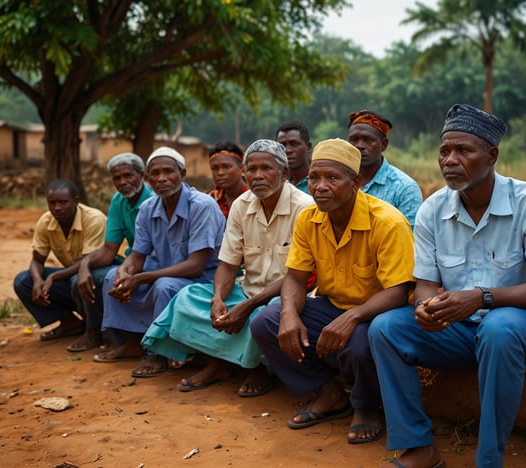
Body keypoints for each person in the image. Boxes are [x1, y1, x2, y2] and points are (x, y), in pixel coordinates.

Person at [368, 104, 526, 468]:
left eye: (463, 150)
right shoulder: (432, 210)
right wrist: (425, 308)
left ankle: (488, 459)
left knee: (500, 328)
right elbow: (425, 283)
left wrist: (483, 297)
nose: (449, 160)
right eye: (444, 151)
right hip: (466, 331)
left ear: (492, 155)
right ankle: (419, 447)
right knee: (386, 328)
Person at [251, 138, 415, 444]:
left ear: (356, 182)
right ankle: (328, 393)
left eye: (332, 178)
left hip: (379, 312)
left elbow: (398, 291)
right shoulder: (309, 219)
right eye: (314, 178)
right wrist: (288, 313)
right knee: (266, 322)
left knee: (358, 347)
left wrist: (353, 317)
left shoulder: (388, 223)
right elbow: (296, 279)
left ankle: (366, 408)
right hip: (331, 305)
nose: (320, 187)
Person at [142, 139, 314, 395]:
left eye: (266, 169)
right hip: (247, 291)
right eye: (251, 170)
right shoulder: (241, 206)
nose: (257, 176)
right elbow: (227, 263)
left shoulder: (305, 208)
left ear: (284, 173)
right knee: (185, 300)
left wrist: (248, 306)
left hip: (287, 295)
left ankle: (255, 369)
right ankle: (218, 363)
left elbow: (298, 276)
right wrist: (218, 298)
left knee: (262, 317)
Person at [93, 146, 226, 379]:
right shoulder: (148, 207)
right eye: (155, 173)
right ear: (147, 179)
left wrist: (141, 277)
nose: (161, 178)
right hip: (164, 271)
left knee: (164, 286)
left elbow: (195, 265)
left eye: (168, 172)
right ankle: (133, 341)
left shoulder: (202, 206)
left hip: (203, 278)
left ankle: (157, 352)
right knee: (112, 276)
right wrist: (126, 272)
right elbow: (137, 256)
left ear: (182, 174)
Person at [68, 152, 155, 352]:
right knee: (80, 280)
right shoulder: (118, 201)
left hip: (155, 261)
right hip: (133, 260)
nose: (123, 182)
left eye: (128, 176)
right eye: (117, 178)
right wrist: (84, 266)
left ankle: (131, 338)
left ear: (141, 175)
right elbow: (109, 249)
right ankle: (95, 332)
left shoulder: (152, 200)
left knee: (112, 277)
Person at [13, 179, 107, 347]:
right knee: (23, 281)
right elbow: (37, 260)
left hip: (96, 278)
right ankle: (70, 323)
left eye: (63, 202)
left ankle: (94, 331)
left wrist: (53, 277)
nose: (57, 207)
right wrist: (37, 282)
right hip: (70, 278)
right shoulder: (46, 221)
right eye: (52, 203)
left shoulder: (94, 219)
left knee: (79, 280)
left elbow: (88, 262)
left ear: (76, 201)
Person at [347, 109, 422, 228]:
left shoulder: (404, 188)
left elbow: (409, 238)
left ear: (384, 144)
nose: (359, 146)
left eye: (368, 140)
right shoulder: (337, 181)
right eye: (353, 140)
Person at [207, 140, 249, 218]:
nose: (220, 173)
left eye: (226, 167)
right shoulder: (209, 200)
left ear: (241, 168)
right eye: (215, 168)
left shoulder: (255, 198)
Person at [276, 120, 312, 194]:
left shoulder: (319, 184)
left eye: (294, 144)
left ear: (308, 147)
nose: (288, 150)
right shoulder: (275, 185)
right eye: (282, 146)